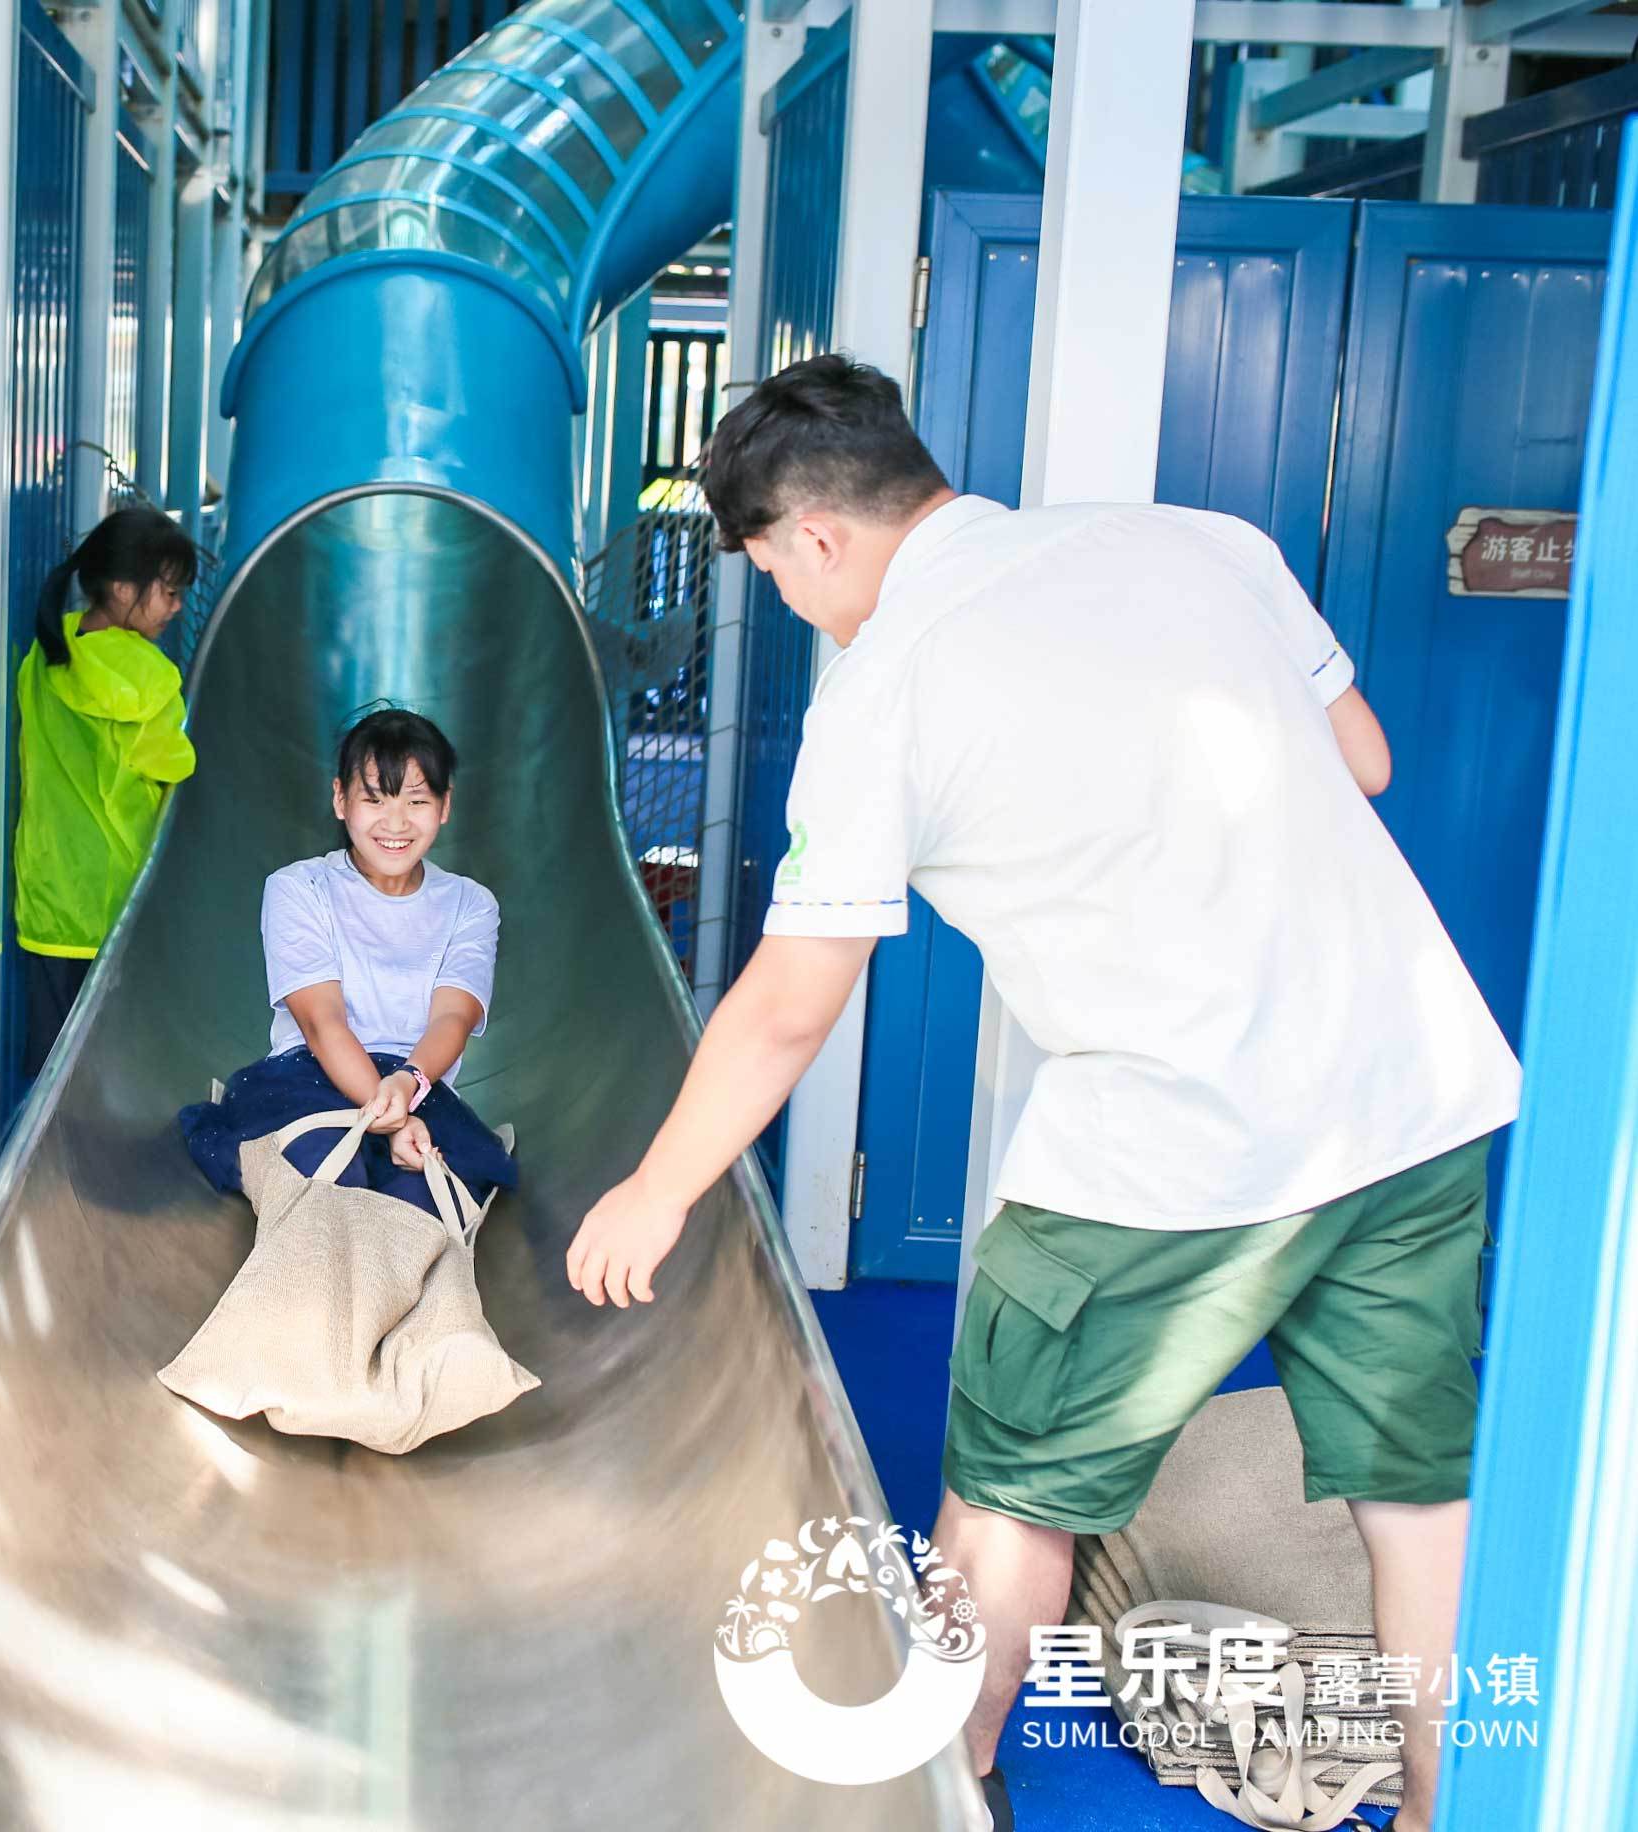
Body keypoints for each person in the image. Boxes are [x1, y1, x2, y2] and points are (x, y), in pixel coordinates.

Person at [564, 354, 1517, 1832]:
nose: (795, 602)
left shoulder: (883, 695)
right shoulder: (1204, 541)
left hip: (1163, 1157)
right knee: (1419, 1504)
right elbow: (1368, 761)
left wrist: (656, 1187)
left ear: (810, 536)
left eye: (766, 567)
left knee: (1011, 1503)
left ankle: (950, 1792)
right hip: (1409, 1097)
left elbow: (784, 1010)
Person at [178, 707, 516, 1213]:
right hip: (309, 1077)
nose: (396, 823)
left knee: (420, 1192)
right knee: (327, 1168)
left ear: (445, 805)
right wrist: (394, 1120)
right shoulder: (299, 888)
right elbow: (322, 1023)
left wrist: (408, 1087)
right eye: (374, 799)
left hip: (416, 1083)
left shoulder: (470, 903)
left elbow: (454, 1016)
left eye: (417, 801)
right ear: (341, 799)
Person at [12, 506, 200, 1079]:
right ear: (122, 588)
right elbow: (175, 771)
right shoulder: (152, 677)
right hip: (117, 901)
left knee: (49, 1067)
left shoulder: (46, 655)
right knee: (113, 1066)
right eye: (167, 593)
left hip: (47, 894)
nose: (175, 607)